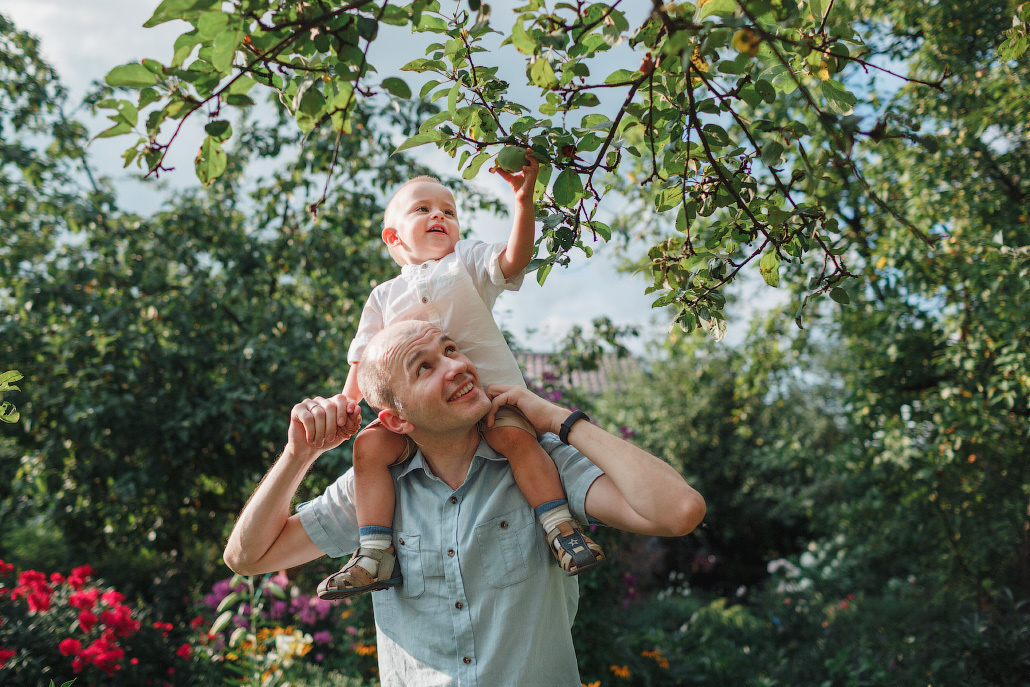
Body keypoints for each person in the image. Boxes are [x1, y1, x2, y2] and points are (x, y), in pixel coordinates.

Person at [223, 320, 706, 687]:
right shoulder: (373, 490)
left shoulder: (540, 464)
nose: (456, 367)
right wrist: (298, 454)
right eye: (425, 367)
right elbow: (247, 557)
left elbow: (679, 511)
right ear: (395, 420)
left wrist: (557, 417)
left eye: (450, 350)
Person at [321, 153, 604, 599]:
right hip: (420, 413)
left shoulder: (466, 260)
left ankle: (559, 527)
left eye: (449, 211)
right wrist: (345, 403)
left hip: (487, 397)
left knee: (516, 440)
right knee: (369, 446)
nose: (440, 215)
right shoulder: (383, 295)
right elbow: (365, 356)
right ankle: (375, 551)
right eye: (423, 209)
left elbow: (512, 262)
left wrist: (523, 203)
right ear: (393, 238)